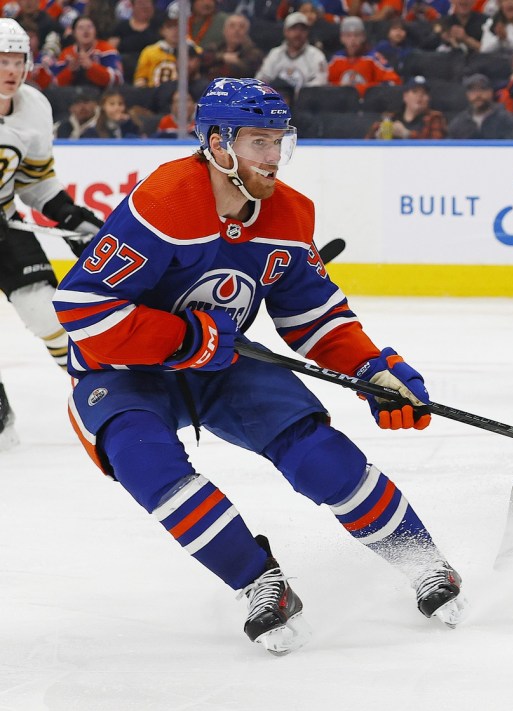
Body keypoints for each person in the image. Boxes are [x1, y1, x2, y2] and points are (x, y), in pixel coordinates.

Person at [51, 77, 467, 654]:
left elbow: (313, 317)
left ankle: (424, 560)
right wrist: (186, 337)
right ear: (219, 145)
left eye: (279, 142)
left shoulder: (290, 214)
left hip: (220, 361)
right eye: (257, 143)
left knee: (314, 449)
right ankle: (260, 582)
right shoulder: (166, 199)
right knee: (145, 462)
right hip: (123, 367)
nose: (273, 158)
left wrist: (373, 369)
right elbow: (83, 310)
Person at [0, 19, 103, 450]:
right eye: (1, 61)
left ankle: (103, 395)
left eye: (17, 60)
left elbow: (36, 184)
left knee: (47, 310)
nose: (10, 69)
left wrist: (73, 216)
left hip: (3, 220)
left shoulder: (34, 107)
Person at [255, 11, 327, 94]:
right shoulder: (275, 54)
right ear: (285, 31)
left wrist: (296, 95)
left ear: (307, 32)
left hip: (304, 103)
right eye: (294, 28)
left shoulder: (316, 56)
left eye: (302, 29)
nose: (298, 33)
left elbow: (320, 83)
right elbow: (261, 79)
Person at [327, 15, 400, 97]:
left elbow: (393, 82)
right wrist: (341, 88)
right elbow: (324, 84)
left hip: (368, 105)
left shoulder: (373, 58)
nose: (353, 40)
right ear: (342, 38)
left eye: (357, 35)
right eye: (348, 35)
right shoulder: (336, 59)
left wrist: (362, 89)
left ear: (363, 37)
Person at [133, 10, 203, 87]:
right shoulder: (149, 51)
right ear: (162, 31)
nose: (176, 31)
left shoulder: (197, 51)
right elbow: (140, 79)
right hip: (154, 95)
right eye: (170, 27)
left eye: (179, 26)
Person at [51, 15, 124, 88]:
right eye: (81, 28)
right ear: (73, 33)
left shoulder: (107, 50)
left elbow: (118, 80)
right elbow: (55, 84)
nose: (86, 31)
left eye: (89, 27)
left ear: (96, 31)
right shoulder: (66, 53)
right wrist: (70, 70)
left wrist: (91, 66)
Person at [366, 74, 446, 139]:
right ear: (405, 96)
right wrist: (376, 137)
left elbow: (436, 145)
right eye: (415, 92)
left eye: (424, 93)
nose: (420, 96)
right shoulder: (391, 118)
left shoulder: (434, 118)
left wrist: (407, 134)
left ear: (428, 99)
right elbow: (365, 144)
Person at [447, 72, 513, 138]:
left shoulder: (506, 120)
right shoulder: (459, 123)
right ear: (467, 95)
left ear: (490, 92)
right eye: (473, 91)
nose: (478, 95)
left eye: (482, 89)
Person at [201, 12, 264, 79]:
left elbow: (248, 71)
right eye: (232, 26)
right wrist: (223, 57)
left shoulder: (254, 52)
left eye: (242, 27)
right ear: (224, 31)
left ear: (247, 32)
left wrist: (235, 63)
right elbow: (202, 61)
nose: (237, 30)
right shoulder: (214, 47)